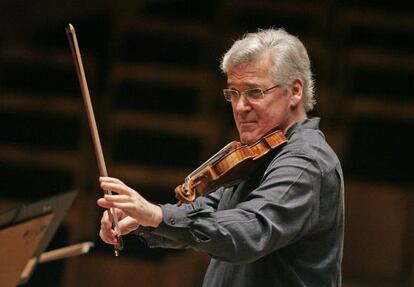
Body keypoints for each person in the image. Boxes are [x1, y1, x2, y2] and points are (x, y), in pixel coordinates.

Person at [98, 28, 344, 287]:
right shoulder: (261, 153)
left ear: (294, 91)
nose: (239, 107)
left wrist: (157, 216)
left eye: (254, 92)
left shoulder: (307, 162)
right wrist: (142, 217)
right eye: (233, 93)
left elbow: (251, 229)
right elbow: (210, 209)